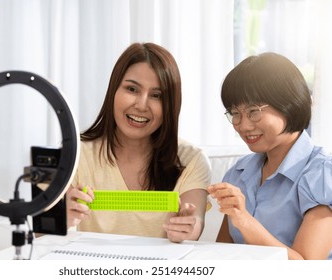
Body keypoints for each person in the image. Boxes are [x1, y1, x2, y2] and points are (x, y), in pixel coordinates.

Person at [67, 42, 211, 243]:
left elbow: (195, 221)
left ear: (170, 104)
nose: (141, 105)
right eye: (132, 89)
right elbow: (38, 236)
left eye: (156, 95)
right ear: (113, 91)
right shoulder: (74, 154)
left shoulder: (192, 159)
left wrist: (188, 228)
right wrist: (60, 219)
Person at [207, 52, 332, 260]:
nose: (243, 125)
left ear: (289, 104)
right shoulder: (239, 173)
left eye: (253, 111)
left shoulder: (322, 174)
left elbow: (307, 269)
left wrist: (244, 220)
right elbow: (222, 256)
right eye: (235, 113)